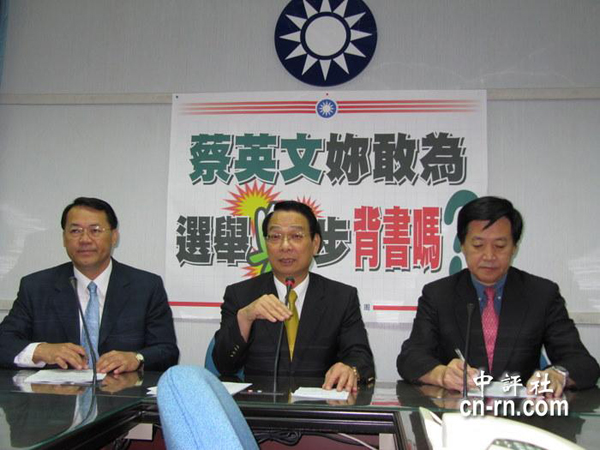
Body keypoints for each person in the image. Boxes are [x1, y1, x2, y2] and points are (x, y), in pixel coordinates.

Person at [397, 196, 600, 397]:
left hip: (522, 412)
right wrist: (441, 374)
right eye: (478, 245)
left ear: (514, 247)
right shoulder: (438, 295)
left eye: (500, 246)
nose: (489, 256)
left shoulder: (541, 294)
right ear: (462, 245)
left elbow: (583, 363)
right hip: (456, 411)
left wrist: (557, 375)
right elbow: (410, 358)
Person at [0, 197, 179, 373]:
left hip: (122, 391)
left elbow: (167, 351)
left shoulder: (146, 287)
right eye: (75, 231)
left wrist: (136, 358)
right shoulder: (36, 287)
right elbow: (4, 342)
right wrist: (40, 351)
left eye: (95, 230)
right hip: (54, 392)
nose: (85, 239)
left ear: (114, 236)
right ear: (64, 238)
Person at [212, 200, 374, 392]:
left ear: (315, 244)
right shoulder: (240, 295)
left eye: (296, 236)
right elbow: (224, 366)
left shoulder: (341, 298)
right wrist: (245, 318)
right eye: (275, 236)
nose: (285, 246)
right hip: (259, 405)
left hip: (320, 405)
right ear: (266, 244)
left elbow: (361, 357)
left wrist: (351, 370)